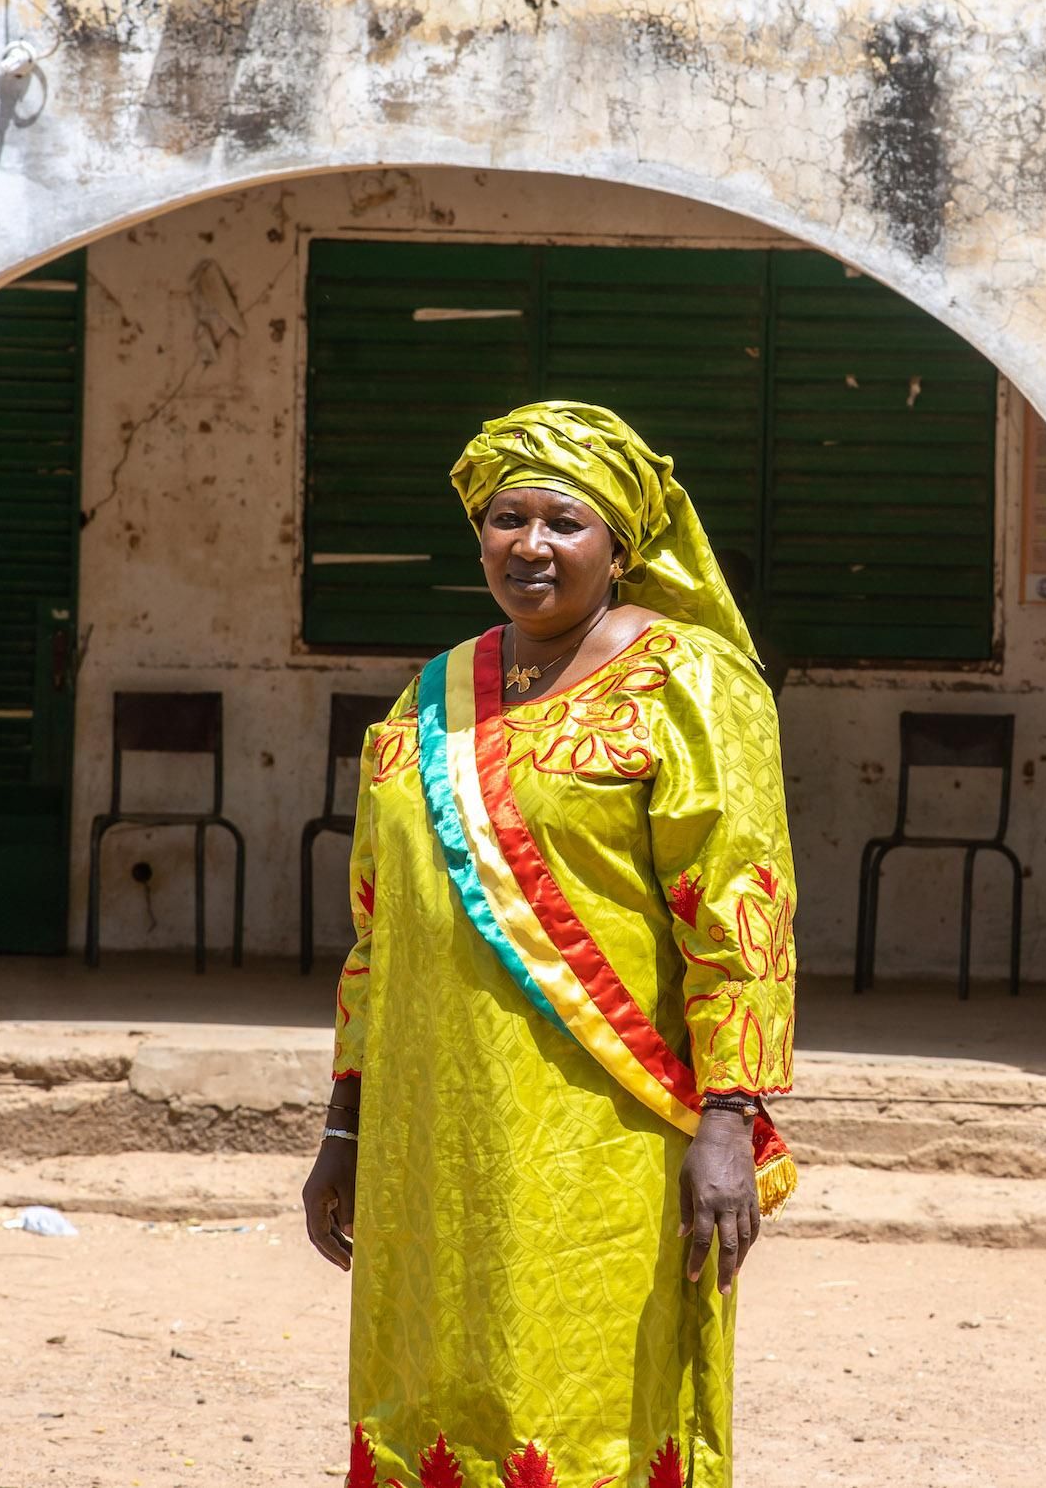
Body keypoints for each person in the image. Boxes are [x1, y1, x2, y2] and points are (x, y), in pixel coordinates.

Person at [301, 400, 799, 1488]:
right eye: (505, 518)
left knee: (577, 1390)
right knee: (435, 1380)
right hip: (429, 1133)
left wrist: (729, 1116)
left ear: (619, 544)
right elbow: (377, 932)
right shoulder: (431, 693)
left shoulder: (688, 682)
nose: (530, 545)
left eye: (563, 521)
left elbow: (741, 902)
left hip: (607, 1131)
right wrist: (344, 1127)